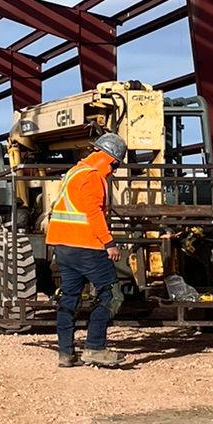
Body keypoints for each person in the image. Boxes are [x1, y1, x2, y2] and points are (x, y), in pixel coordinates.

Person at [45, 129, 128, 369]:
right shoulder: (92, 176)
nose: (113, 171)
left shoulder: (74, 172)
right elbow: (92, 212)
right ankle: (95, 348)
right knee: (111, 294)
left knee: (69, 297)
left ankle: (66, 353)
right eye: (115, 166)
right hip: (86, 246)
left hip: (63, 245)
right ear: (109, 158)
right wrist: (109, 242)